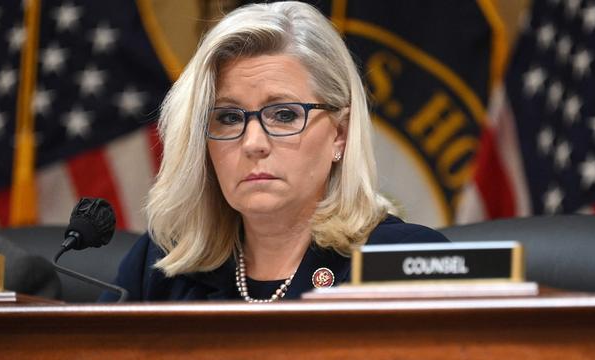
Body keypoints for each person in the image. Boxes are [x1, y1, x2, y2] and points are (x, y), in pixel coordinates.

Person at [102, 1, 448, 302]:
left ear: (339, 135)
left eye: (284, 115)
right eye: (228, 117)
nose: (253, 143)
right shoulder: (162, 263)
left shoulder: (403, 260)